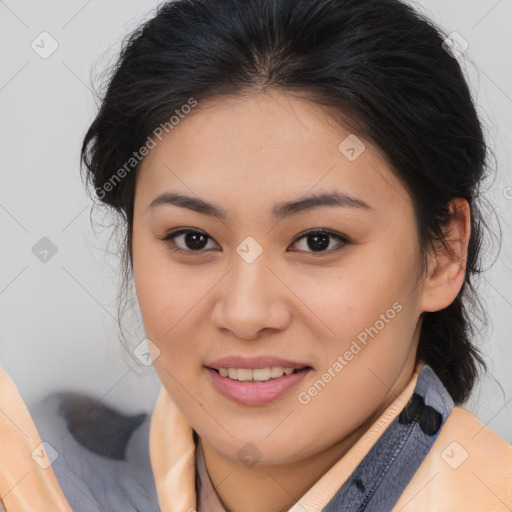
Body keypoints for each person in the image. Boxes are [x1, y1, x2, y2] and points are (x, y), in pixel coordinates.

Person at [1, 0, 511, 510]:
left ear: (443, 253)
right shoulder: (35, 481)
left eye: (318, 241)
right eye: (193, 239)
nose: (245, 314)